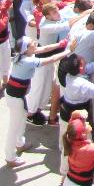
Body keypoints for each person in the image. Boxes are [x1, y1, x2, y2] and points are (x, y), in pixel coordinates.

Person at [4, 36, 72, 167]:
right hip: (16, 98)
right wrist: (68, 50)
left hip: (18, 95)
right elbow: (50, 59)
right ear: (26, 49)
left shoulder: (25, 54)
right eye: (31, 43)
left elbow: (45, 48)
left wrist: (61, 43)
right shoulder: (28, 60)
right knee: (14, 126)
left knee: (23, 118)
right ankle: (9, 156)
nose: (34, 43)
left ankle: (20, 143)